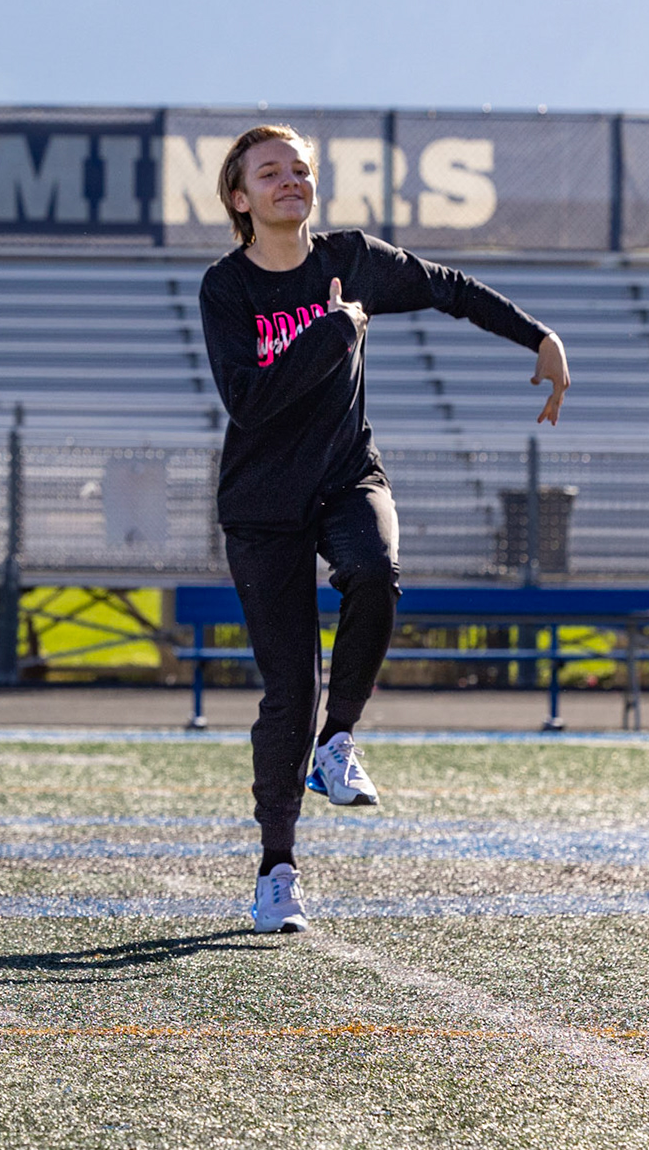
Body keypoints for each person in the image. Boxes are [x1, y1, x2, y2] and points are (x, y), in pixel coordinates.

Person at [200, 124, 570, 935]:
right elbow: (250, 402)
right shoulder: (226, 288)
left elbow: (448, 287)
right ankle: (277, 871)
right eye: (271, 173)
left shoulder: (353, 258)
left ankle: (339, 742)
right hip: (263, 502)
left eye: (301, 169)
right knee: (289, 691)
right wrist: (337, 331)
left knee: (375, 569)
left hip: (345, 476)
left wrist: (539, 336)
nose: (290, 181)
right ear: (240, 196)